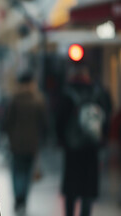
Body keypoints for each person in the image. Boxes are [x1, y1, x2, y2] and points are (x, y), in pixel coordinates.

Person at [56, 64, 111, 216]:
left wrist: (62, 140)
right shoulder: (98, 93)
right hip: (92, 148)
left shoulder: (67, 93)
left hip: (72, 148)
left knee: (71, 188)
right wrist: (102, 139)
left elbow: (59, 120)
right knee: (88, 188)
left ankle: (70, 212)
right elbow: (105, 118)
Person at [2, 70, 47, 213]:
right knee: (27, 174)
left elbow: (8, 121)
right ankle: (24, 199)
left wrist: (8, 135)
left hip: (16, 144)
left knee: (17, 173)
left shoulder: (14, 99)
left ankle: (18, 198)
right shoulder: (39, 100)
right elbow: (44, 123)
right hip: (32, 144)